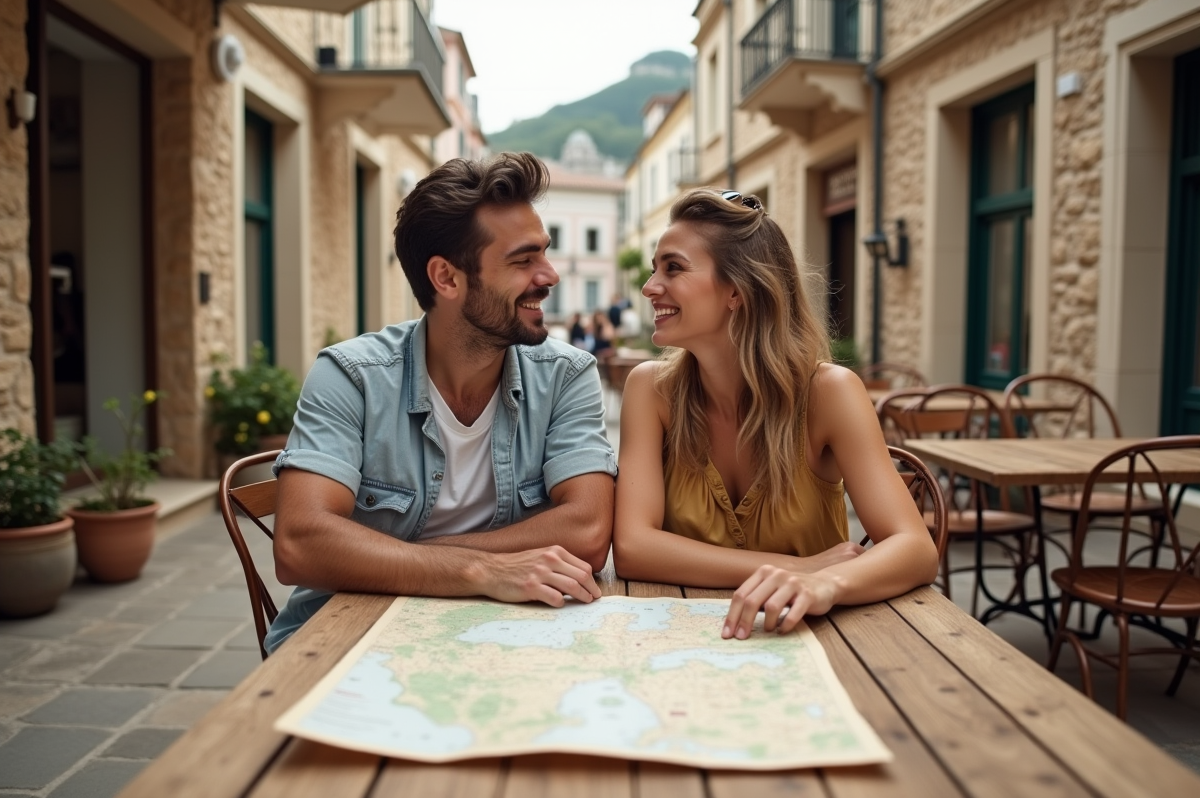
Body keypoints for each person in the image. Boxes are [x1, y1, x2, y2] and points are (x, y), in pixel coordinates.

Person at [264, 153, 618, 654]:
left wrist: (388, 557)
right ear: (447, 278)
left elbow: (586, 529)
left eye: (544, 252)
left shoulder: (567, 375)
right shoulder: (352, 377)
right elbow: (300, 544)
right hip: (347, 636)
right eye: (523, 260)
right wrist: (479, 569)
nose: (550, 275)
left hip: (506, 635)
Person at [612, 188, 938, 641]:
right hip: (677, 637)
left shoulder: (828, 394)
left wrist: (826, 583)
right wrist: (798, 567)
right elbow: (632, 547)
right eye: (654, 270)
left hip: (815, 639)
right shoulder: (651, 390)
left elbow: (916, 549)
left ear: (736, 291)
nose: (649, 287)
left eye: (674, 268)